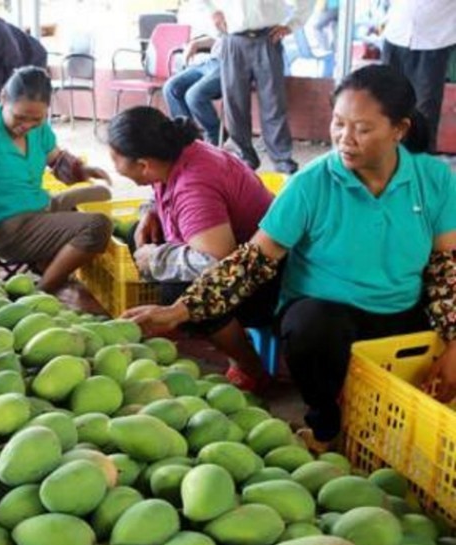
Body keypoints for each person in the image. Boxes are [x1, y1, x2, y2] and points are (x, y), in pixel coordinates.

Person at [123, 64, 456, 452]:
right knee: (309, 326)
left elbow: (444, 266)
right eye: (338, 123)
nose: (345, 139)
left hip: (402, 310)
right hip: (329, 315)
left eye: (363, 129)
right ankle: (324, 425)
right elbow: (251, 261)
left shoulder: (434, 179)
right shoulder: (311, 184)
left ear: (399, 129)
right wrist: (178, 311)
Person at [107, 106, 276, 390]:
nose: (113, 165)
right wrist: (152, 211)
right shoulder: (178, 153)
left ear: (144, 165)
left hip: (263, 279)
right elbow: (164, 189)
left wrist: (156, 258)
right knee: (140, 233)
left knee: (178, 289)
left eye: (115, 159)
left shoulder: (194, 185)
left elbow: (219, 264)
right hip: (238, 258)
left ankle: (250, 367)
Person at [0, 66, 113, 292]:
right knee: (97, 226)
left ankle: (46, 263)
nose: (26, 126)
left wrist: (82, 170)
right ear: (3, 97)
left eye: (36, 119)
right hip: (4, 228)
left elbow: (55, 159)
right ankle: (43, 290)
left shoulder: (38, 129)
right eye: (19, 117)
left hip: (37, 208)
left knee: (101, 194)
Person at [202, 0, 316, 173]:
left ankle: (282, 160)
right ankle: (245, 157)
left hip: (268, 38)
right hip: (233, 40)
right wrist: (212, 11)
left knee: (274, 104)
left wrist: (292, 25)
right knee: (235, 105)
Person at [382, 0, 455, 152]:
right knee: (386, 103)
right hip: (396, 32)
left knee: (424, 109)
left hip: (434, 39)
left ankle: (420, 161)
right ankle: (387, 158)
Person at [162, 36, 223, 146]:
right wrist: (196, 43)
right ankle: (186, 135)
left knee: (194, 95)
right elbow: (216, 39)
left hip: (227, 63)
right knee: (170, 88)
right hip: (207, 61)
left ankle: (215, 134)